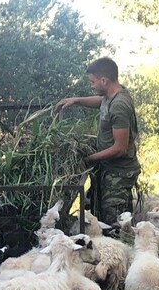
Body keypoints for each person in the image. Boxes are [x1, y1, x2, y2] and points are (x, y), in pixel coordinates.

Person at [56, 57, 141, 224]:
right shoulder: (111, 96)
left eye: (93, 82)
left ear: (104, 80)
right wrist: (76, 100)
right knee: (101, 219)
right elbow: (101, 102)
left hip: (118, 174)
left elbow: (120, 148)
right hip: (107, 170)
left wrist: (88, 159)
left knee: (115, 223)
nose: (92, 85)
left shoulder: (119, 105)